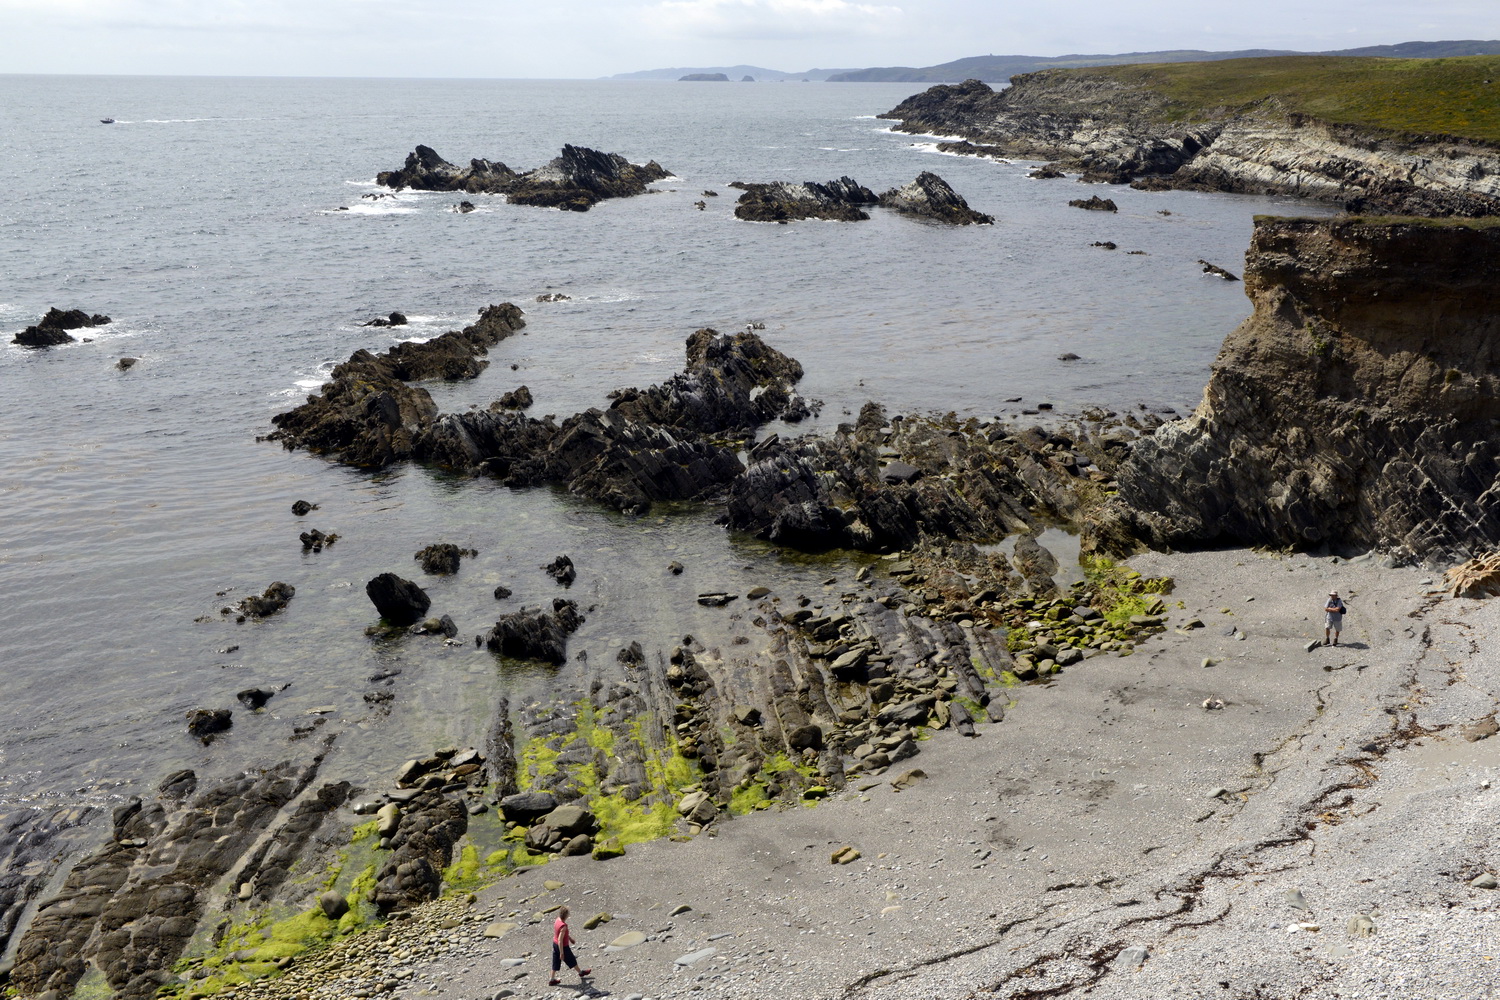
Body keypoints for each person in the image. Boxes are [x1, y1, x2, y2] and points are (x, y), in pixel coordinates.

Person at [549, 905, 591, 987]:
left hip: (555, 944)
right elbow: (560, 940)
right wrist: (561, 953)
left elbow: (560, 935)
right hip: (562, 946)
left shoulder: (557, 920)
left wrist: (570, 939)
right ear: (566, 915)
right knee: (571, 959)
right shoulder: (563, 926)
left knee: (555, 962)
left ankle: (552, 979)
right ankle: (580, 973)